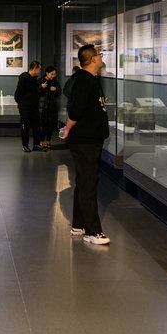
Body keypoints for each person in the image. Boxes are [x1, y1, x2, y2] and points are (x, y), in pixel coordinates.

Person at [59, 44, 110, 245]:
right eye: (99, 54)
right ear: (93, 59)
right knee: (89, 185)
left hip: (89, 139)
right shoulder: (84, 81)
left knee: (83, 183)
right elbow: (76, 110)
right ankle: (92, 231)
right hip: (85, 141)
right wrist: (68, 128)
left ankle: (79, 225)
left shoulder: (87, 80)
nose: (101, 57)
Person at [14, 60, 42, 152]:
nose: (39, 71)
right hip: (25, 107)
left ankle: (36, 144)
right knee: (25, 126)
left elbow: (35, 93)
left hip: (34, 106)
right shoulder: (24, 79)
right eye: (39, 69)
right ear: (35, 68)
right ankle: (25, 145)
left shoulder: (34, 80)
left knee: (36, 125)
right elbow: (18, 93)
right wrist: (19, 102)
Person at [37, 65, 61, 149]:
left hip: (52, 107)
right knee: (42, 124)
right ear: (47, 73)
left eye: (54, 74)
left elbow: (59, 92)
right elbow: (35, 93)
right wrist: (41, 87)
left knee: (50, 125)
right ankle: (42, 140)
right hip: (42, 107)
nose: (53, 76)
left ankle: (48, 140)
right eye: (52, 74)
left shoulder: (55, 82)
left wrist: (55, 90)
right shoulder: (40, 81)